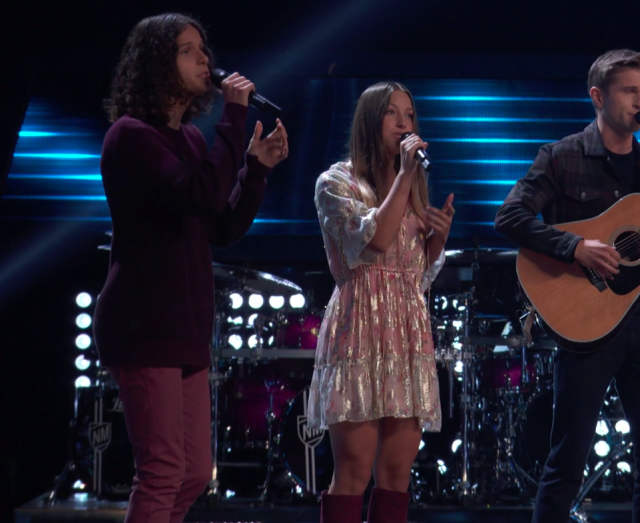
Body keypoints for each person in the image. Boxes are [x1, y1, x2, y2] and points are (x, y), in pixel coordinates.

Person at [92, 13, 288, 523]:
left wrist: (256, 170)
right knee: (161, 471)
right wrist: (234, 120)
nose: (206, 59)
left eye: (205, 48)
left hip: (185, 326)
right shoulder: (131, 136)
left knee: (195, 473)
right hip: (144, 323)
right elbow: (196, 192)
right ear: (158, 64)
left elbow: (218, 226)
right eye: (188, 50)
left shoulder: (194, 143)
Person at [494, 49, 640, 523]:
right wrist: (574, 247)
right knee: (567, 460)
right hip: (588, 325)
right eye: (630, 91)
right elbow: (510, 216)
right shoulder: (562, 157)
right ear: (597, 97)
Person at [307, 81, 455, 523]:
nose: (404, 124)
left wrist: (438, 241)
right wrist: (406, 175)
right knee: (353, 471)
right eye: (393, 114)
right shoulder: (336, 183)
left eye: (409, 115)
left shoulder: (414, 189)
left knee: (396, 473)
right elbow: (373, 240)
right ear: (371, 121)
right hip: (359, 330)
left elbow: (417, 276)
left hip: (406, 332)